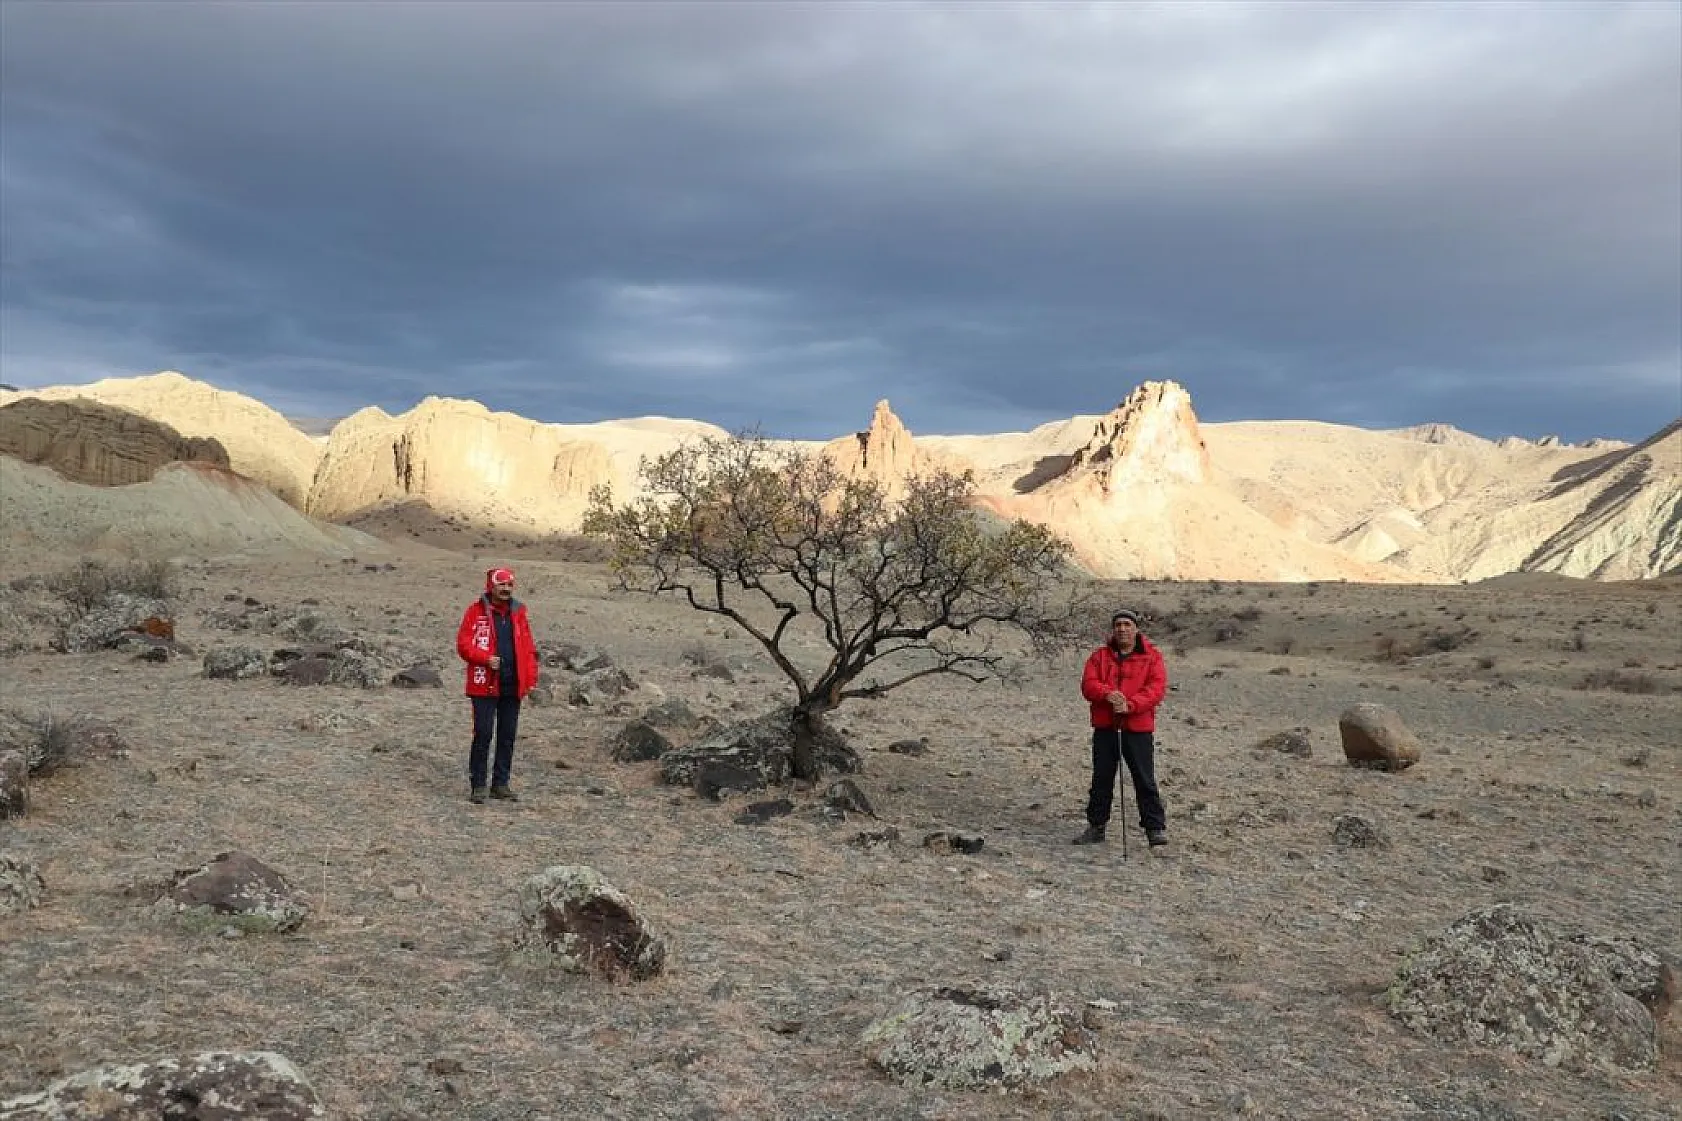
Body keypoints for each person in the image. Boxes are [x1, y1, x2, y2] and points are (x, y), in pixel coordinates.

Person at [1074, 609, 1168, 847]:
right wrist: (1108, 695)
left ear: (1136, 628)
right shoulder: (1100, 657)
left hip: (1138, 728)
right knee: (1101, 778)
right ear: (1113, 629)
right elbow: (1088, 684)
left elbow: (1156, 689)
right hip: (1106, 728)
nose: (1122, 629)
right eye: (1118, 624)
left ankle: (1154, 829)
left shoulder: (1152, 657)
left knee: (1144, 779)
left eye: (1127, 624)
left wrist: (1131, 705)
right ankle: (1096, 826)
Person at [455, 566, 539, 804]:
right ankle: (478, 785)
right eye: (501, 584)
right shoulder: (475, 612)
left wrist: (530, 679)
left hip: (512, 686)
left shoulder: (518, 613)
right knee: (483, 734)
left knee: (507, 735)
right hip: (485, 685)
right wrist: (485, 659)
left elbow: (529, 648)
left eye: (510, 585)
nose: (506, 589)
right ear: (491, 586)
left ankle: (500, 784)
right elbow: (463, 644)